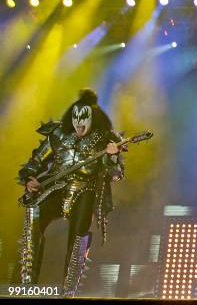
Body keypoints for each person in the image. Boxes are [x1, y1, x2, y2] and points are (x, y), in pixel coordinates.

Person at [17, 89, 125, 297]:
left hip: (86, 190)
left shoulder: (105, 139)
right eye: (76, 122)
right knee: (34, 212)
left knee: (78, 234)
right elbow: (35, 162)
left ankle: (69, 289)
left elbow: (116, 175)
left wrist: (112, 157)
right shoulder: (57, 134)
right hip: (56, 188)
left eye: (84, 122)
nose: (79, 127)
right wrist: (30, 179)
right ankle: (26, 282)